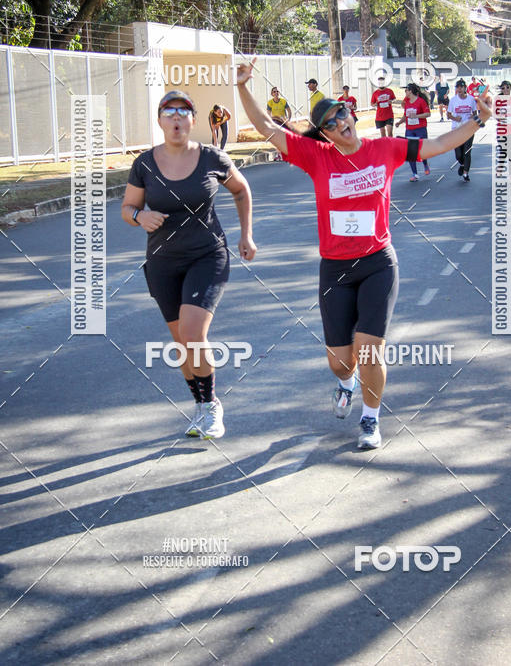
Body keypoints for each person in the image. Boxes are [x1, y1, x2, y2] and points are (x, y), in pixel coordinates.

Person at [236, 60, 491, 450]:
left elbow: (439, 145)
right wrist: (242, 87)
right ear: (324, 134)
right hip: (335, 269)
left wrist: (478, 119)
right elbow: (269, 128)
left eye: (342, 112)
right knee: (341, 360)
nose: (341, 122)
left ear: (351, 113)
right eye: (331, 122)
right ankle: (345, 383)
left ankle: (370, 419)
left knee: (370, 348)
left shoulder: (385, 149)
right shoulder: (316, 157)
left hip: (377, 263)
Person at [122, 90, 256, 440]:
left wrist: (246, 235)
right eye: (169, 112)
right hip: (163, 262)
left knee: (194, 334)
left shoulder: (212, 157)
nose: (176, 118)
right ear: (160, 120)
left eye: (183, 111)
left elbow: (241, 190)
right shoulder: (144, 164)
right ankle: (199, 406)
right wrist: (141, 216)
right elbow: (127, 209)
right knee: (182, 341)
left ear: (194, 120)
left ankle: (212, 406)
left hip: (207, 255)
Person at [395, 82, 431, 180]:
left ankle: (425, 164)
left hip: (420, 129)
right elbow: (405, 115)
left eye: (406, 90)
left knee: (422, 150)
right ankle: (415, 174)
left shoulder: (421, 101)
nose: (405, 92)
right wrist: (399, 122)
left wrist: (416, 116)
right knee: (410, 152)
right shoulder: (407, 102)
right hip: (410, 130)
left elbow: (428, 114)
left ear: (410, 91)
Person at [447, 79, 479, 181]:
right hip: (456, 130)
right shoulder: (453, 100)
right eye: (457, 87)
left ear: (465, 88)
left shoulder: (471, 99)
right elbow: (448, 115)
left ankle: (466, 173)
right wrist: (455, 118)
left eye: (461, 87)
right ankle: (461, 164)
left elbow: (475, 113)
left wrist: (472, 116)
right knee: (458, 155)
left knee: (467, 152)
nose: (459, 89)